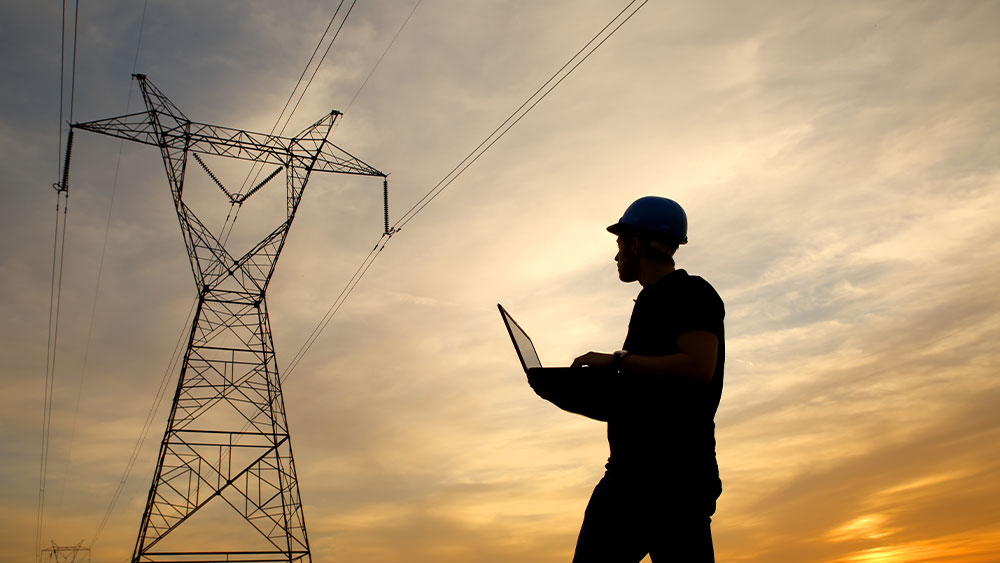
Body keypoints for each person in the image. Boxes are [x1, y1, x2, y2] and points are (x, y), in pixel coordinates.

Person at [528, 196, 725, 562]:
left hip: (669, 478)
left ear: (636, 243)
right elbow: (647, 395)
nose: (616, 256)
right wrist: (571, 392)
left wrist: (619, 360)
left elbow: (699, 367)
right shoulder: (651, 301)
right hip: (636, 472)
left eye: (620, 244)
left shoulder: (690, 293)